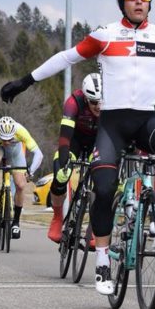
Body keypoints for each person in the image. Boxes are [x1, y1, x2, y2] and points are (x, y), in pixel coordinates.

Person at [0, 0, 155, 295]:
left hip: (145, 120)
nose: (139, 0)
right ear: (122, 1)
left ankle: (153, 205)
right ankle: (102, 263)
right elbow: (67, 57)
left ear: (150, 3)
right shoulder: (105, 35)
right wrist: (25, 81)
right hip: (112, 126)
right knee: (105, 188)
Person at [47, 72, 101, 245]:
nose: (99, 106)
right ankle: (57, 217)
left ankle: (94, 227)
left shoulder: (111, 105)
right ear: (85, 98)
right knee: (61, 175)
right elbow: (64, 138)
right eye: (94, 102)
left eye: (102, 101)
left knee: (103, 179)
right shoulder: (73, 102)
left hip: (97, 140)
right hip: (74, 139)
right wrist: (65, 163)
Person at [0, 116, 43, 239]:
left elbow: (38, 153)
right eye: (3, 139)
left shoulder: (21, 131)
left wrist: (31, 171)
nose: (6, 142)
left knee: (20, 185)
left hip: (15, 152)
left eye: (9, 139)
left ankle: (16, 222)